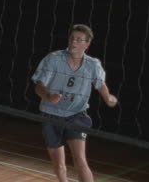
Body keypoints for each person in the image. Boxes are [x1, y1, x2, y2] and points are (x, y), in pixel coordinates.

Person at [32, 24, 118, 182]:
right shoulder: (54, 58)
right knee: (59, 166)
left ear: (87, 44)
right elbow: (38, 86)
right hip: (50, 115)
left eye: (79, 40)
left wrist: (108, 97)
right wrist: (48, 96)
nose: (74, 42)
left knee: (80, 161)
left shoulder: (93, 65)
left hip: (76, 115)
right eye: (72, 38)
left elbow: (100, 84)